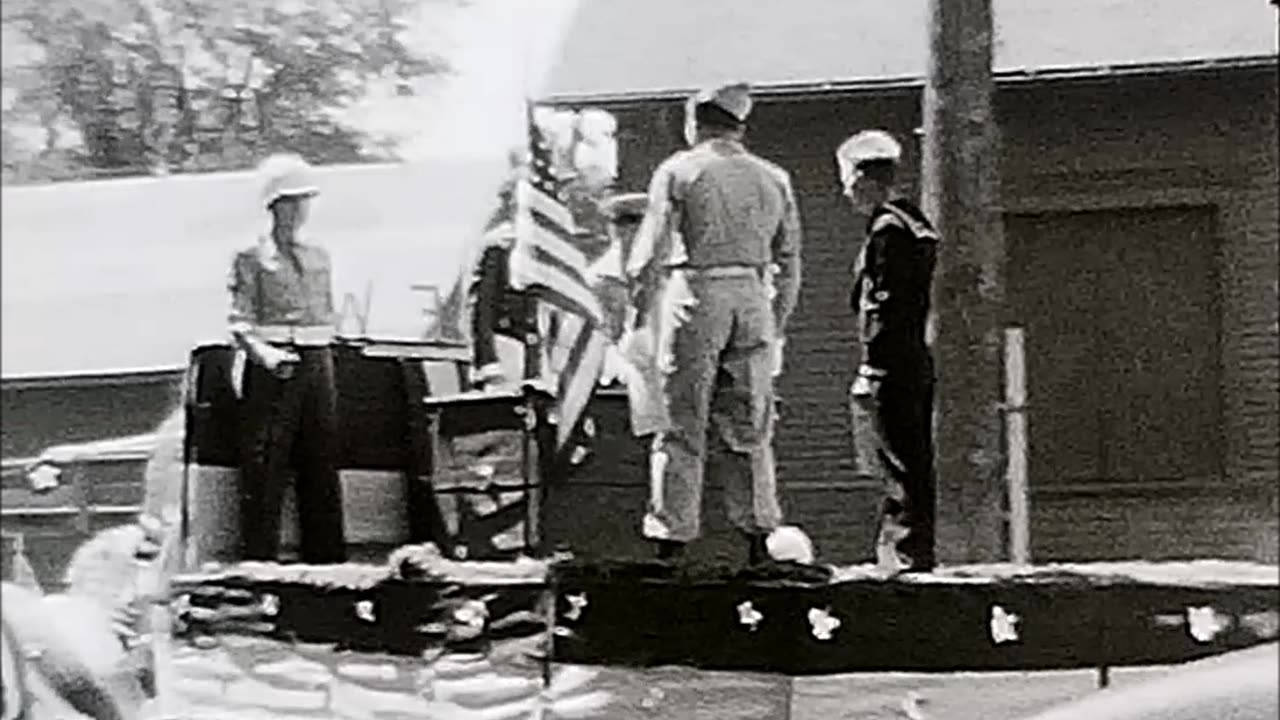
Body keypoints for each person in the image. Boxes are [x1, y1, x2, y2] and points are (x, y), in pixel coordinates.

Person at [628, 82, 803, 564]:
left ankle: (672, 538)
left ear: (695, 122)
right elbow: (790, 260)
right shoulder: (774, 177)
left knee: (681, 420)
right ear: (739, 126)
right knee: (751, 423)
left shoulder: (680, 170)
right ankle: (758, 536)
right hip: (753, 293)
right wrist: (777, 322)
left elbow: (649, 251)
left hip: (696, 290)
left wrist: (637, 312)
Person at [226, 153, 346, 564]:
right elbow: (239, 323)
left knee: (323, 465)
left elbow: (329, 312)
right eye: (290, 201)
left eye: (304, 201)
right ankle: (259, 567)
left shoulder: (319, 254)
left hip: (318, 361)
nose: (299, 211)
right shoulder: (250, 255)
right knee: (265, 470)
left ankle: (328, 568)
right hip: (274, 369)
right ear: (272, 206)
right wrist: (268, 356)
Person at [837, 130, 940, 574]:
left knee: (898, 459)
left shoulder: (887, 229)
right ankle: (910, 548)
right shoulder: (914, 221)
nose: (846, 194)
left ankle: (902, 552)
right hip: (915, 354)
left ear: (864, 179)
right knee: (913, 456)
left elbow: (881, 302)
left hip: (890, 360)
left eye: (847, 182)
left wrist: (872, 363)